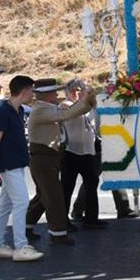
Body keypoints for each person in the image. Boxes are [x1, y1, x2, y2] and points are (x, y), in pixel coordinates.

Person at [25, 78, 95, 246]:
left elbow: (68, 113)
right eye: (53, 92)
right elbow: (67, 114)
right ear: (46, 94)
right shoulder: (41, 110)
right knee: (54, 196)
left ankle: (25, 226)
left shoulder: (45, 107)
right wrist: (85, 99)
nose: (56, 94)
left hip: (48, 157)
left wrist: (87, 99)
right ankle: (58, 234)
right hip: (43, 157)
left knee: (44, 195)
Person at [0, 75, 43, 262]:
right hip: (8, 166)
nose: (32, 94)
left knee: (5, 206)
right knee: (21, 203)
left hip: (16, 164)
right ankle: (20, 247)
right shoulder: (3, 112)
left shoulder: (17, 111)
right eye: (31, 90)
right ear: (25, 90)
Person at [60, 79, 107, 230]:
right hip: (71, 151)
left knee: (91, 186)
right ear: (67, 92)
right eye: (74, 90)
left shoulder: (88, 106)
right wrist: (85, 98)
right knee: (67, 188)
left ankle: (91, 219)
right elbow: (78, 110)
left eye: (81, 89)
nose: (77, 92)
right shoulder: (65, 105)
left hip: (88, 151)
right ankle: (63, 221)